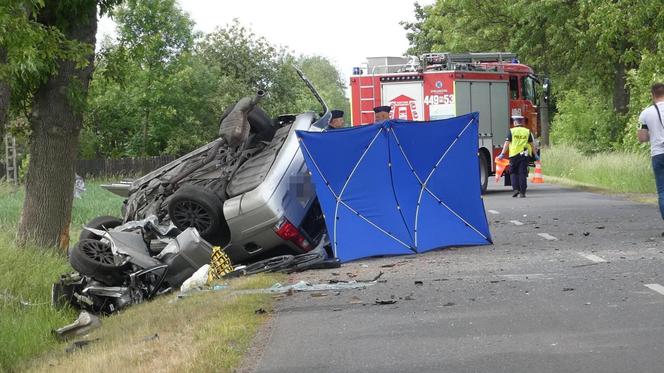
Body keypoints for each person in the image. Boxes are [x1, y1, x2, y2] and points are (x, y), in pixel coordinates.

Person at [637, 82, 664, 223]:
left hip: (658, 154)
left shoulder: (646, 113)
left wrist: (652, 135)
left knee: (662, 191)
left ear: (653, 95)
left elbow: (641, 138)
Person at [498, 115, 538, 198]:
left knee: (513, 173)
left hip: (514, 155)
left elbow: (507, 143)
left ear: (515, 122)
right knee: (522, 173)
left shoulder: (512, 131)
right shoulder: (527, 131)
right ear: (521, 122)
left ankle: (516, 189)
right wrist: (536, 155)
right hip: (525, 155)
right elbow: (531, 144)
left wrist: (502, 154)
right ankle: (522, 192)